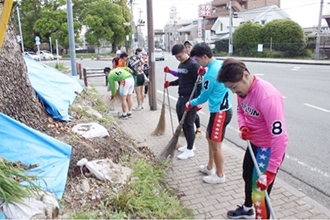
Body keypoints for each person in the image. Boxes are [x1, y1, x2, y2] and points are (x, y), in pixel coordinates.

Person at [217, 58, 288, 219]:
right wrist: (243, 127)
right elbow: (241, 111)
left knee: (260, 193)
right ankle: (248, 209)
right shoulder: (243, 91)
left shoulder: (267, 96)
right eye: (230, 89)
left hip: (267, 150)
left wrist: (270, 171)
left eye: (234, 87)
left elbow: (280, 137)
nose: (234, 92)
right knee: (247, 176)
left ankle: (261, 216)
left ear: (246, 75)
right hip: (253, 145)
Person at [185, 42, 232, 184]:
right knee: (209, 137)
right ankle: (210, 167)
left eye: (198, 60)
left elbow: (203, 97)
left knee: (216, 145)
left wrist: (191, 103)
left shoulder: (211, 74)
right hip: (218, 111)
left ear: (205, 56)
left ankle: (219, 175)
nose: (198, 63)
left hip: (220, 113)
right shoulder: (217, 64)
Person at [164, 44, 200, 160]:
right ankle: (190, 145)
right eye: (176, 57)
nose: (179, 59)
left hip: (190, 98)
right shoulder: (181, 65)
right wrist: (171, 83)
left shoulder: (194, 65)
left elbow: (198, 84)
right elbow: (181, 79)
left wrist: (197, 101)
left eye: (180, 56)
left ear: (185, 51)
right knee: (182, 122)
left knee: (189, 123)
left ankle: (190, 150)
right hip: (181, 97)